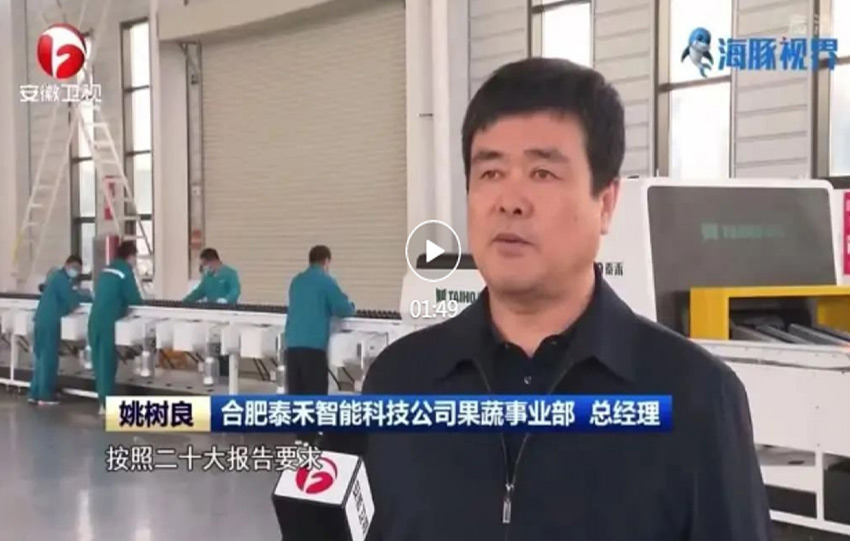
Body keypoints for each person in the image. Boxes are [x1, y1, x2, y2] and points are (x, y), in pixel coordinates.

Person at [360, 58, 772, 540]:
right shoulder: (399, 381)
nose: (509, 201)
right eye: (490, 173)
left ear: (606, 203)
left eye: (542, 173)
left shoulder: (695, 398)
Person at [284, 245, 355, 403]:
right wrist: (352, 307)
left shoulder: (296, 281)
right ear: (326, 261)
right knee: (315, 396)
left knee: (295, 398)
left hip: (292, 346)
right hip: (313, 348)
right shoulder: (326, 281)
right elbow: (342, 308)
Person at [88, 240, 143, 415]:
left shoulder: (107, 270)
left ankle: (102, 402)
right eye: (135, 257)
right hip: (108, 322)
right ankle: (106, 404)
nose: (135, 261)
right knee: (107, 364)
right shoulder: (124, 272)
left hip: (94, 321)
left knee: (99, 364)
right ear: (130, 256)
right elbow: (134, 299)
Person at [27, 255, 90, 405]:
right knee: (48, 359)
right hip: (50, 322)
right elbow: (72, 300)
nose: (76, 271)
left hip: (40, 320)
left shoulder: (56, 277)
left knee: (40, 358)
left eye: (78, 269)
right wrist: (89, 297)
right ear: (66, 265)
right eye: (74, 268)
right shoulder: (62, 280)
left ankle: (34, 393)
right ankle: (45, 396)